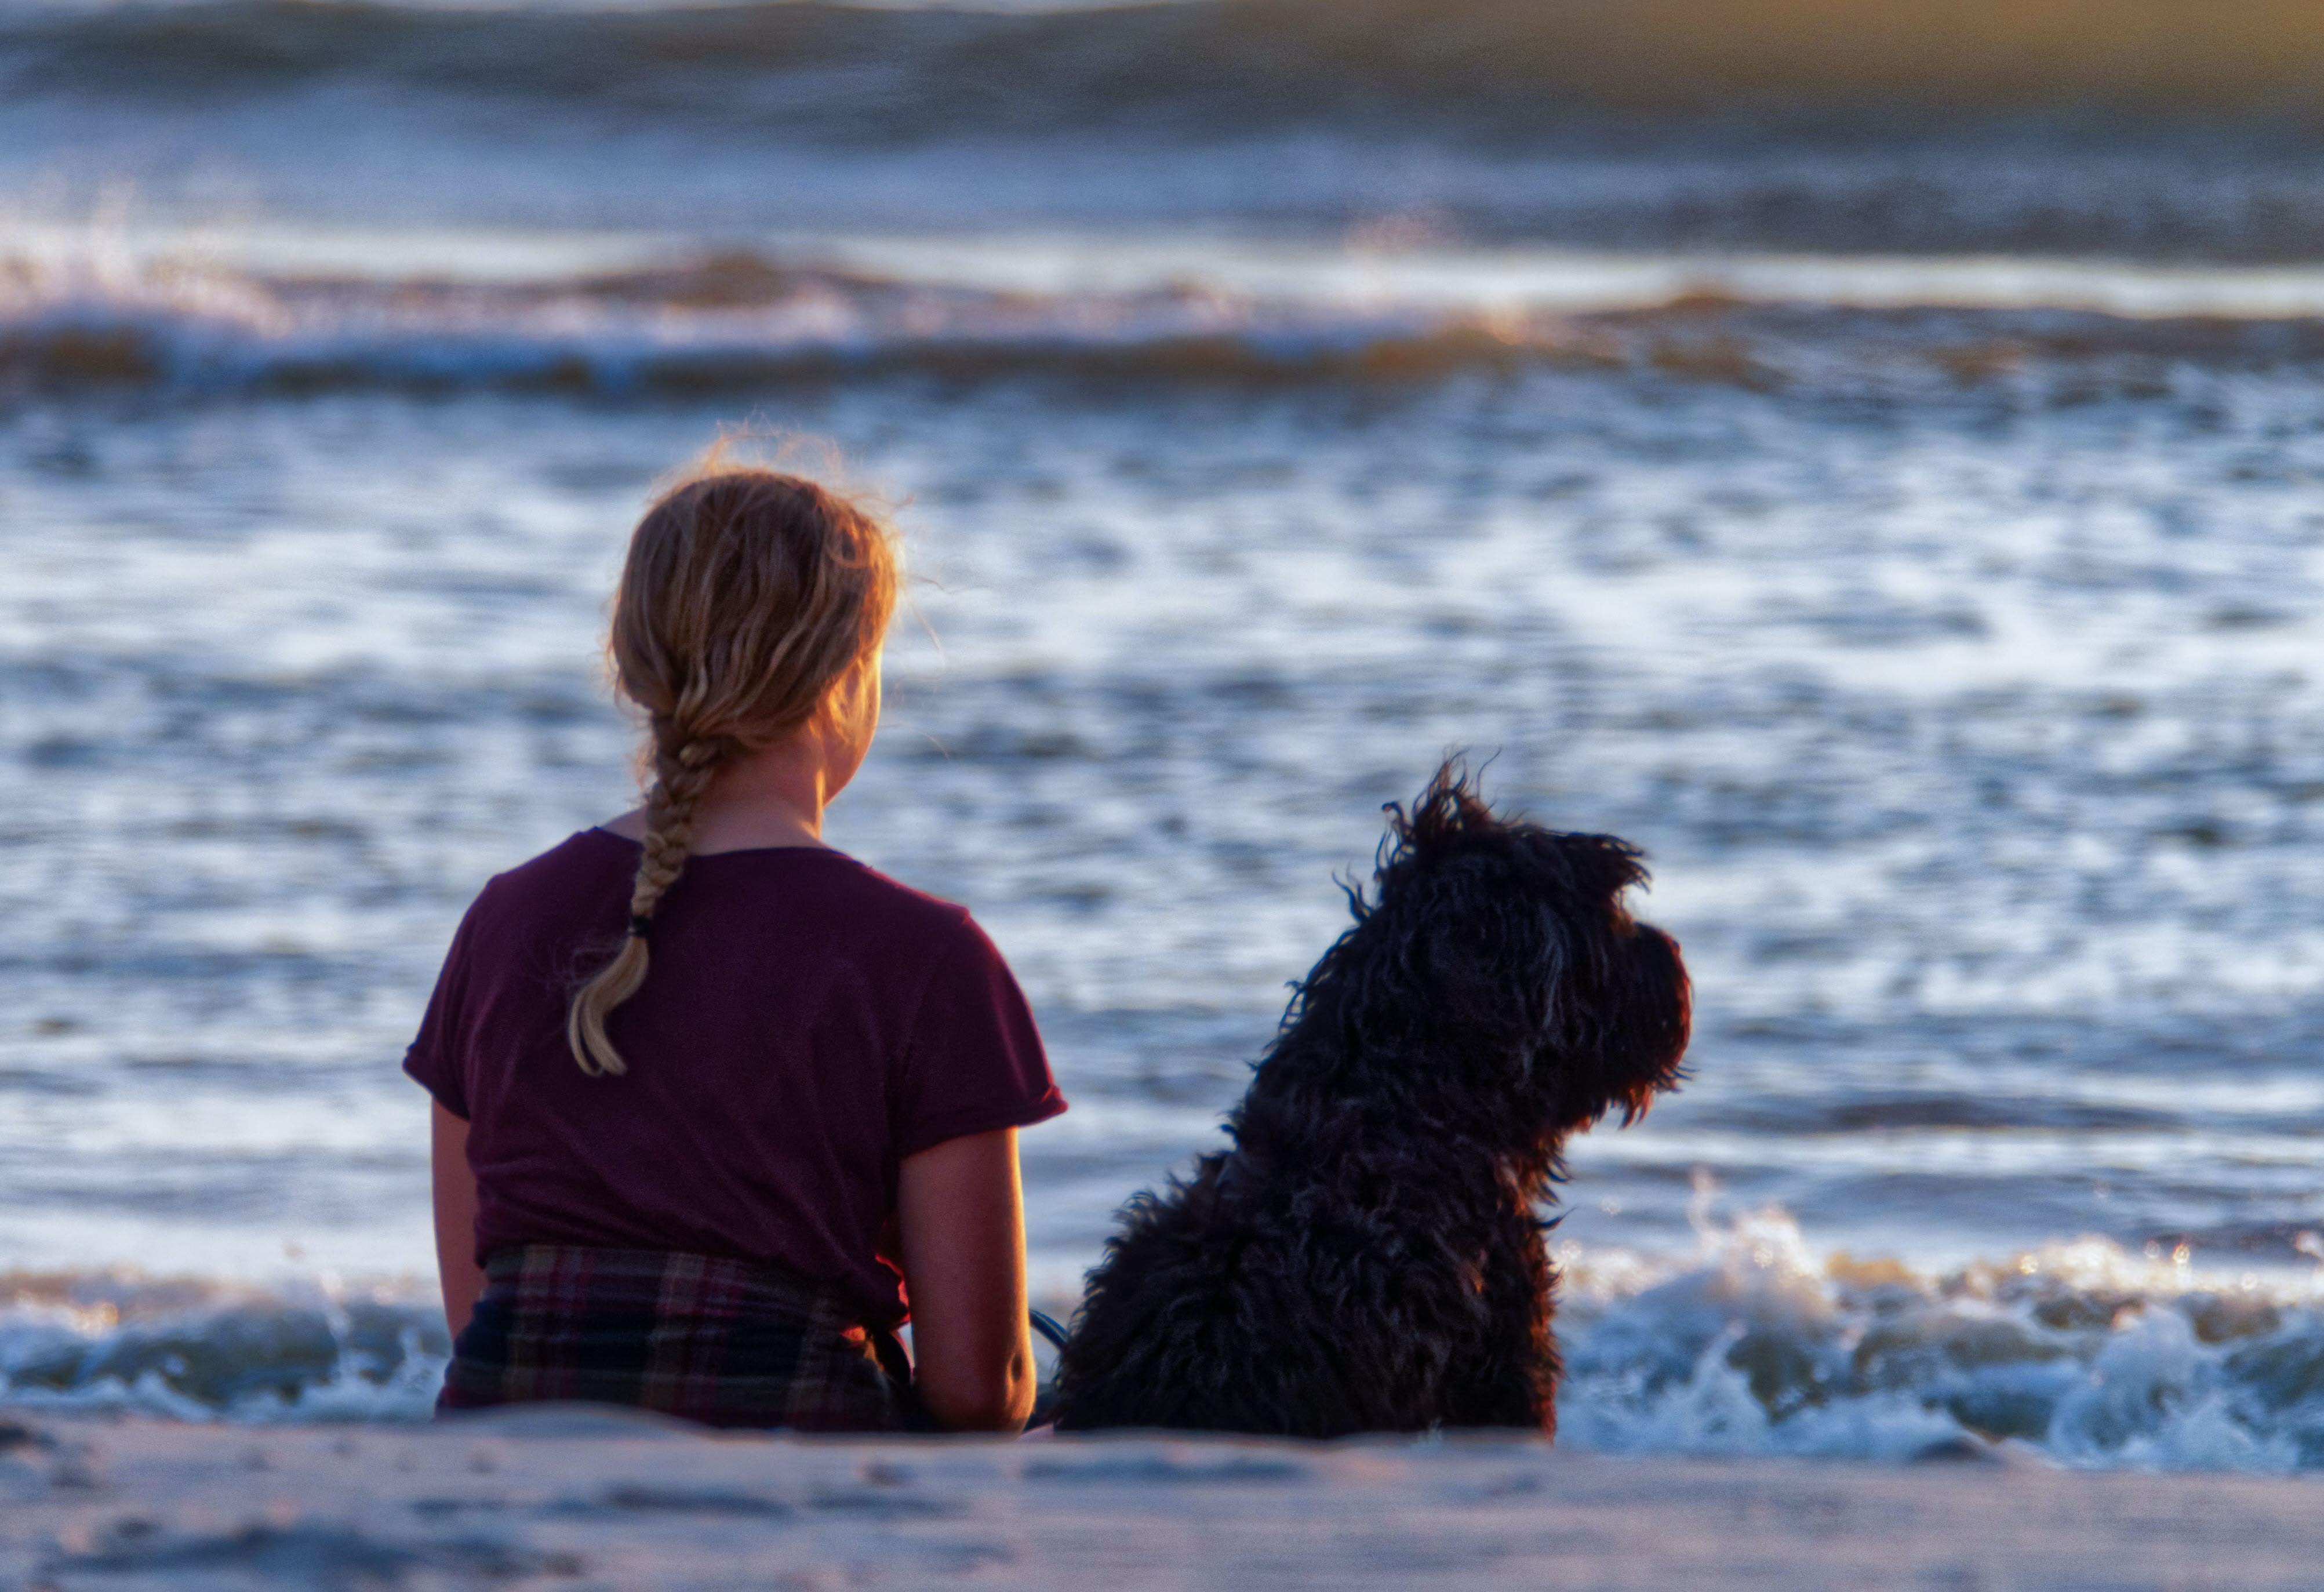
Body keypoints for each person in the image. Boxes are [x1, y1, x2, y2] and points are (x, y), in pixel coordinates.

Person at [402, 463, 1065, 1433]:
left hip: (508, 1449)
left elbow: (483, 1313)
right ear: (847, 678)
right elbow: (976, 1389)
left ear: (635, 667)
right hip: (793, 1463)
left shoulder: (503, 919)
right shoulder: (927, 958)